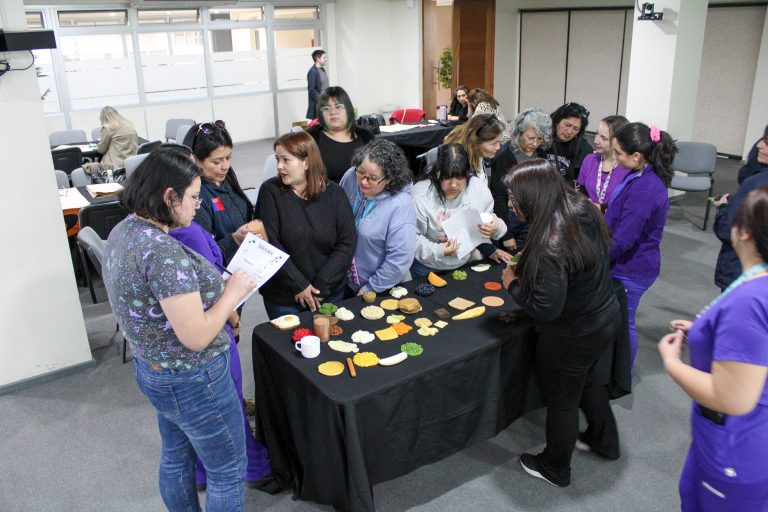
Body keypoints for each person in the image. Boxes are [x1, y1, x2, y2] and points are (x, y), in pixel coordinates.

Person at [102, 145, 258, 511]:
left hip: (154, 368)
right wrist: (231, 292)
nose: (196, 206)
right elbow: (197, 336)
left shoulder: (125, 231)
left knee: (176, 456)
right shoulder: (162, 252)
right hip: (194, 377)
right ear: (168, 196)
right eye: (192, 198)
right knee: (228, 470)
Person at [501, 159, 622, 488]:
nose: (510, 205)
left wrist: (512, 282)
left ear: (533, 198)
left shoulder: (550, 241)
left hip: (573, 333)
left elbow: (546, 309)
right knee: (591, 382)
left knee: (563, 402)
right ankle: (604, 441)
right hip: (605, 314)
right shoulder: (579, 205)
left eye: (514, 199)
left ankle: (555, 467)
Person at [658, 187, 768, 510]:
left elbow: (730, 397)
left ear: (743, 232)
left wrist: (672, 362)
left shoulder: (749, 302)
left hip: (735, 447)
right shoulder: (757, 284)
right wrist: (710, 333)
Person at [169, 219, 272, 491]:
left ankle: (202, 471)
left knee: (193, 419)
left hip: (180, 348)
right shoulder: (188, 232)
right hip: (213, 331)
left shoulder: (150, 234)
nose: (196, 204)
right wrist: (233, 315)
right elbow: (213, 283)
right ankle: (254, 467)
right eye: (193, 197)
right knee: (228, 403)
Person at [255, 131, 356, 318]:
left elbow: (347, 243)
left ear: (307, 162)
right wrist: (299, 284)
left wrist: (319, 287)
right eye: (278, 159)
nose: (279, 166)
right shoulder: (270, 192)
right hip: (284, 297)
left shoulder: (335, 194)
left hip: (329, 293)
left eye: (286, 160)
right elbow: (270, 243)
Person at [608, 122, 677, 369]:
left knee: (624, 324)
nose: (614, 158)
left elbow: (624, 240)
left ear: (636, 155)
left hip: (632, 268)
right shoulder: (641, 173)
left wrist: (594, 258)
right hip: (630, 263)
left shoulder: (646, 187)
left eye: (618, 153)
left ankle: (622, 374)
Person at [411, 143, 508, 277]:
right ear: (436, 172)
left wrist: (496, 227)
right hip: (427, 267)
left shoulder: (477, 188)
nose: (454, 185)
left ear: (467, 174)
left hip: (465, 262)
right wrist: (439, 250)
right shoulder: (420, 194)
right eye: (447, 177)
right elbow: (411, 238)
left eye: (460, 178)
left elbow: (484, 221)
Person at [183, 120, 266, 264]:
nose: (225, 166)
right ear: (196, 159)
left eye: (229, 157)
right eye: (217, 162)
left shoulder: (226, 178)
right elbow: (203, 257)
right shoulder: (196, 197)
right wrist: (234, 239)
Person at [340, 139, 416, 295]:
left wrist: (371, 287)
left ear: (389, 179)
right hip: (344, 280)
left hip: (379, 287)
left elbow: (400, 258)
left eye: (373, 178)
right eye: (361, 172)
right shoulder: (350, 177)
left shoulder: (400, 205)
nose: (363, 181)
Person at [713, 128, 768, 290]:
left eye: (766, 141)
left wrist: (723, 208)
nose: (759, 145)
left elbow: (728, 230)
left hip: (744, 271)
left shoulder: (756, 185)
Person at [492, 107, 552, 251]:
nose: (535, 143)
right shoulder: (505, 156)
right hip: (511, 219)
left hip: (533, 218)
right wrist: (506, 235)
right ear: (519, 132)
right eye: (530, 138)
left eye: (539, 139)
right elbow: (498, 196)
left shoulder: (541, 152)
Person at [306, 86, 375, 183]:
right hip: (324, 194)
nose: (333, 112)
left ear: (349, 109)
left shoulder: (365, 137)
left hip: (362, 194)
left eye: (338, 107)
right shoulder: (311, 137)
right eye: (326, 108)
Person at [577, 115, 631, 211]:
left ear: (618, 142)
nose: (596, 141)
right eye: (597, 134)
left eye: (604, 138)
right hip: (589, 217)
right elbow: (580, 189)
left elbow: (627, 203)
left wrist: (602, 208)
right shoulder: (589, 160)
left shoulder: (627, 168)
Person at [444, 113, 505, 186]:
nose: (498, 147)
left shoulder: (477, 154)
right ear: (476, 142)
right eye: (493, 143)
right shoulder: (459, 167)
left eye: (499, 142)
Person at [541, 102, 593, 182]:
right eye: (567, 125)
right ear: (556, 121)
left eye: (575, 129)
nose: (569, 132)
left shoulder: (584, 149)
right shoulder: (540, 140)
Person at [83, 106, 138, 175]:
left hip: (114, 166)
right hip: (132, 163)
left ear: (103, 117)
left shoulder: (107, 127)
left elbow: (101, 150)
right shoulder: (129, 126)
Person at [306, 49, 328, 120]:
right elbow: (312, 90)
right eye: (324, 57)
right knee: (318, 128)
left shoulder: (322, 70)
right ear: (318, 59)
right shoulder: (313, 72)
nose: (326, 59)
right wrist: (321, 100)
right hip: (319, 105)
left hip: (325, 104)